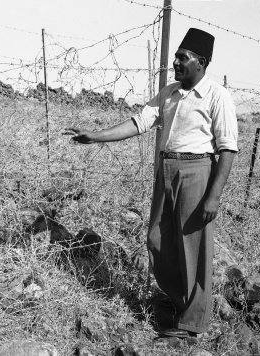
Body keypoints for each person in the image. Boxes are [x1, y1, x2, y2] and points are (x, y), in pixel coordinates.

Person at [64, 28, 238, 339]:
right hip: (166, 167)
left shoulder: (217, 96)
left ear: (201, 62)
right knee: (158, 238)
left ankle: (190, 323)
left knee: (192, 246)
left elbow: (227, 149)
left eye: (183, 58)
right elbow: (139, 122)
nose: (176, 62)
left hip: (197, 171)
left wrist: (214, 197)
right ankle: (177, 300)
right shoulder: (169, 93)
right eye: (176, 57)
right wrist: (95, 136)